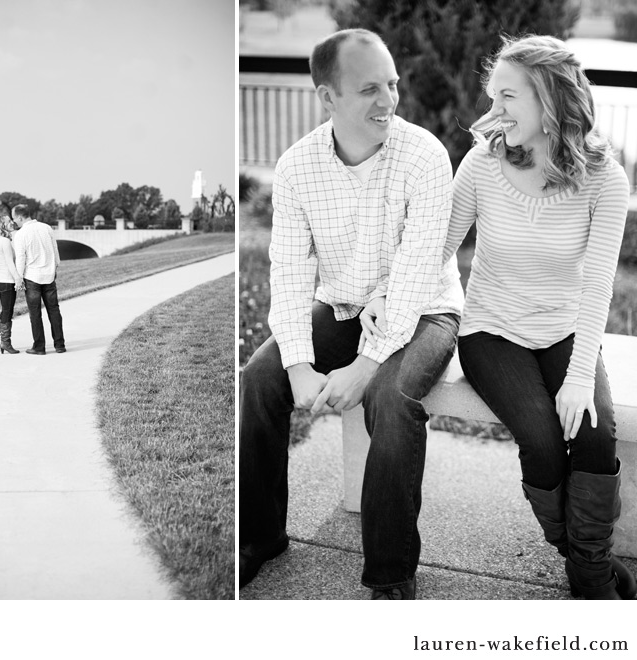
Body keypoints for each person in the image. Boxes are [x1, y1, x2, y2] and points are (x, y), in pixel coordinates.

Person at [239, 29, 464, 599]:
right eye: (369, 89)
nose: (388, 100)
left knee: (392, 398)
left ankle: (390, 575)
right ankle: (257, 539)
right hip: (341, 305)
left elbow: (416, 274)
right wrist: (297, 367)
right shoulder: (296, 167)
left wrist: (366, 366)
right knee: (261, 379)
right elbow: (289, 272)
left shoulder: (425, 156)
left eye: (391, 84)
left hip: (427, 312)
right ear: (328, 96)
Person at [442, 35, 635, 600]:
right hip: (490, 330)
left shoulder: (605, 178)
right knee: (545, 442)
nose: (492, 112)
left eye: (507, 97)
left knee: (595, 434)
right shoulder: (481, 162)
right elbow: (441, 247)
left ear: (550, 100)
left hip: (566, 328)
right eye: (492, 96)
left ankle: (587, 566)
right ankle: (589, 570)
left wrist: (579, 377)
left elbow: (599, 283)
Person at [12, 204, 66, 355]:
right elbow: (55, 250)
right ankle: (60, 344)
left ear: (20, 217)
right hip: (49, 276)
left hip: (32, 277)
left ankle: (39, 347)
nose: (14, 221)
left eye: (14, 218)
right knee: (54, 311)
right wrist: (55, 267)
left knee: (35, 313)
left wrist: (18, 278)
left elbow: (21, 258)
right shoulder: (47, 228)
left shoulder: (21, 234)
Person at [0, 213, 23, 355]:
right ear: (2, 224)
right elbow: (9, 263)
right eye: (8, 221)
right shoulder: (5, 242)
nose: (11, 223)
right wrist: (18, 279)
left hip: (0, 281)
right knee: (8, 312)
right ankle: (5, 343)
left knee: (5, 311)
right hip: (7, 281)